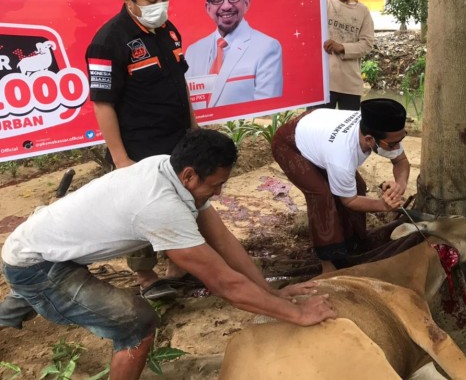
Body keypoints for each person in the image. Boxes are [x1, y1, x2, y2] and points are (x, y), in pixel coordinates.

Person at [0, 129, 336, 380]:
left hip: (37, 244)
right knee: (137, 323)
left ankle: (13, 309)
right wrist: (298, 315)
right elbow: (224, 284)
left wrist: (269, 292)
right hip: (39, 265)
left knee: (32, 295)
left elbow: (223, 240)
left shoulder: (167, 168)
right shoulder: (160, 207)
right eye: (216, 185)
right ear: (190, 174)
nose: (218, 193)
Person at [85, 0, 198, 300]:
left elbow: (180, 82)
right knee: (139, 214)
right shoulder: (108, 41)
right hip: (138, 146)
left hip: (177, 140)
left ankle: (178, 268)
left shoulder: (167, 30)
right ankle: (147, 277)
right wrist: (121, 159)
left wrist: (193, 127)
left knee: (183, 202)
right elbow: (102, 104)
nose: (160, 5)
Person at [272, 98, 410, 273]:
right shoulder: (342, 157)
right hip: (290, 144)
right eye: (392, 144)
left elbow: (401, 161)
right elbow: (349, 201)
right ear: (369, 139)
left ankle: (354, 242)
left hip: (318, 131)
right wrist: (383, 205)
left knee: (358, 186)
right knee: (322, 195)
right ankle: (328, 263)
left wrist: (400, 185)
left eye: (401, 138)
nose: (397, 147)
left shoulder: (382, 127)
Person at [185, 0, 283, 108]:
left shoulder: (267, 47)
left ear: (246, 2)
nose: (226, 6)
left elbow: (266, 109)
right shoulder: (193, 52)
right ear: (208, 7)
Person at [321, 0, 375, 110]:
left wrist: (342, 47)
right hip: (322, 84)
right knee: (319, 130)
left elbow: (367, 44)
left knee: (347, 132)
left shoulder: (362, 11)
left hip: (350, 85)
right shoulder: (322, 4)